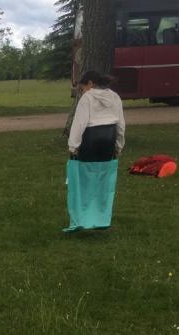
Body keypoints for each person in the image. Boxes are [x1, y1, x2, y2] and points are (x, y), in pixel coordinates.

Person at [64, 71, 125, 232]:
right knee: (104, 179)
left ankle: (85, 216)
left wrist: (73, 146)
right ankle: (101, 217)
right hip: (109, 137)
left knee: (85, 178)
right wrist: (119, 144)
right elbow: (121, 124)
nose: (83, 91)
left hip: (91, 138)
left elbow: (79, 123)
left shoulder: (88, 98)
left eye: (83, 88)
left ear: (90, 83)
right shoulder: (115, 97)